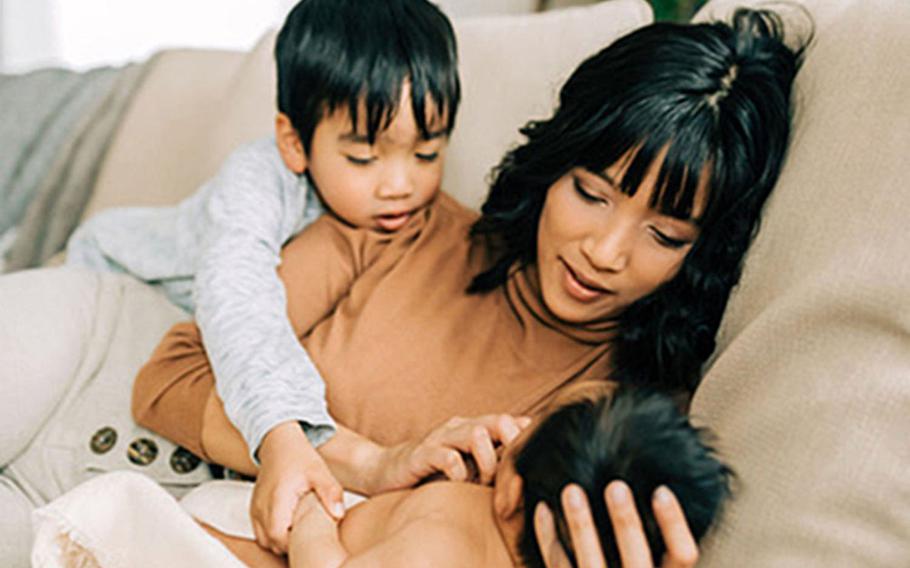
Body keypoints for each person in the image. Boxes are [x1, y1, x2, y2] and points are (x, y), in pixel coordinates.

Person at [132, 7, 805, 564]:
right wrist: (366, 461)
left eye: (664, 236)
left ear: (702, 255)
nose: (604, 253)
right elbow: (169, 379)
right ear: (552, 165)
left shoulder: (615, 426)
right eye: (591, 194)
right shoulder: (397, 228)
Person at [65, 0, 461, 552]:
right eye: (365, 158)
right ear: (294, 143)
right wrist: (279, 433)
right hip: (117, 275)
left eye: (426, 152)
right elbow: (238, 296)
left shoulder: (415, 222)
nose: (399, 184)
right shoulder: (257, 180)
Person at [221, 383, 725, 567]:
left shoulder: (446, 535)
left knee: (142, 505)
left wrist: (312, 513)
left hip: (294, 541)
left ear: (509, 491)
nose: (515, 425)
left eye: (534, 421)